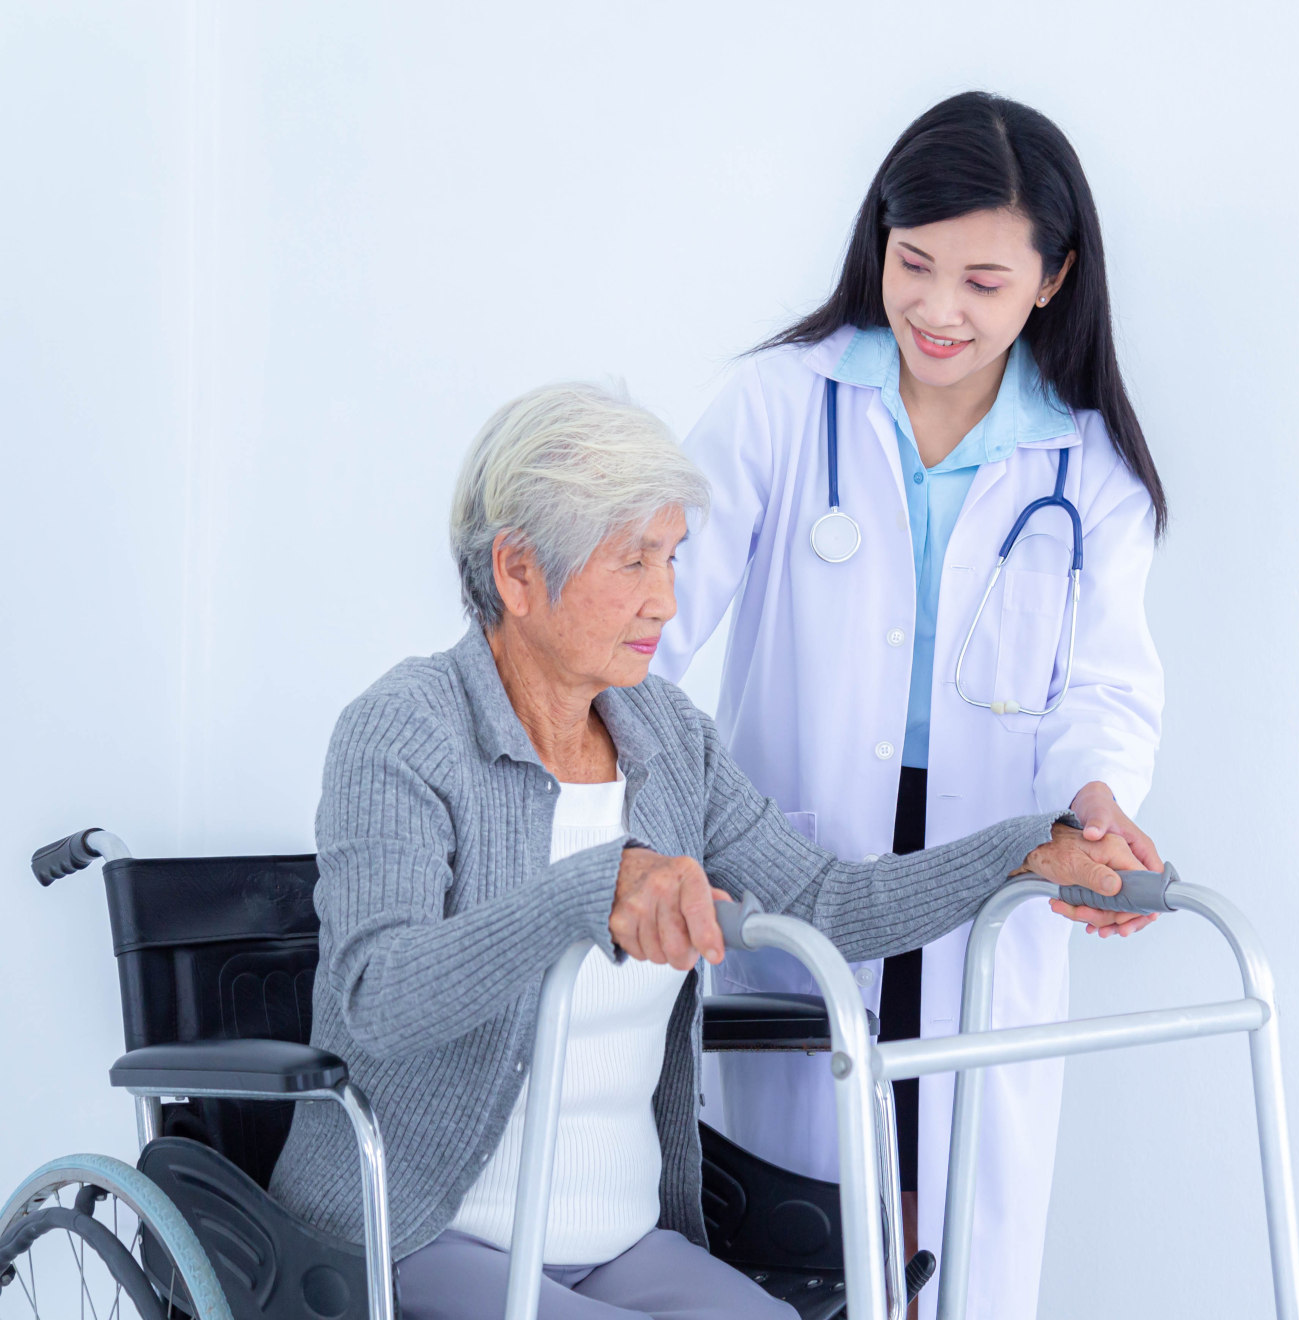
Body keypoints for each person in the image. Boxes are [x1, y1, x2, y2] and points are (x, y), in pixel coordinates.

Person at [268, 382, 1155, 1320]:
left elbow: (825, 903)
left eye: (673, 557)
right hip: (418, 1232)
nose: (667, 598)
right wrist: (588, 894)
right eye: (633, 562)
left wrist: (1025, 854)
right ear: (519, 573)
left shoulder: (665, 736)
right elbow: (376, 998)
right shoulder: (402, 732)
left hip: (617, 1239)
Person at [653, 92, 1167, 1319]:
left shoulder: (1089, 468)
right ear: (877, 240)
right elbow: (648, 631)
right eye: (914, 263)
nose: (939, 309)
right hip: (797, 857)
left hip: (990, 861)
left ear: (1053, 280)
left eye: (983, 282)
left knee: (959, 1221)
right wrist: (648, 827)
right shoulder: (782, 405)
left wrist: (1100, 811)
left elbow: (1105, 684)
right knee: (795, 1229)